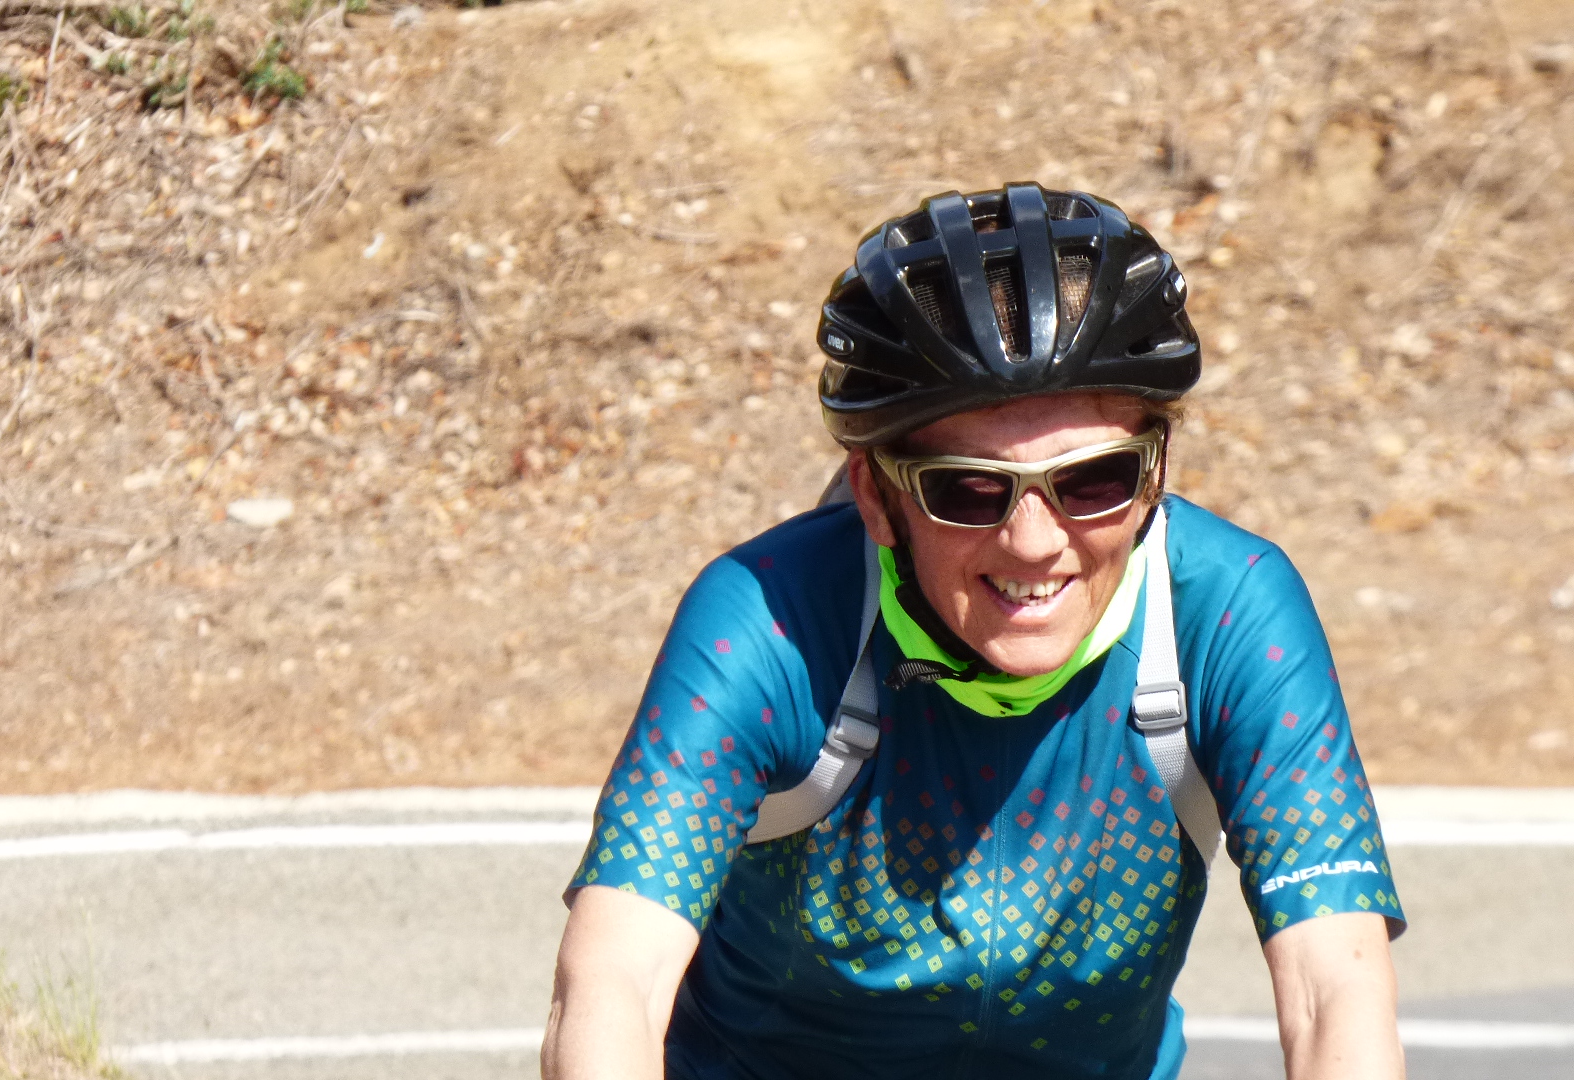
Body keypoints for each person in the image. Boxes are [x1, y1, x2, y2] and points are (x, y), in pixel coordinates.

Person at [543, 183, 1406, 1080]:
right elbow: (613, 980)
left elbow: (1330, 987)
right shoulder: (767, 618)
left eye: (1093, 480)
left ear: (1156, 472)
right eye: (967, 489)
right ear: (876, 495)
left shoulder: (1229, 609)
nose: (1034, 543)